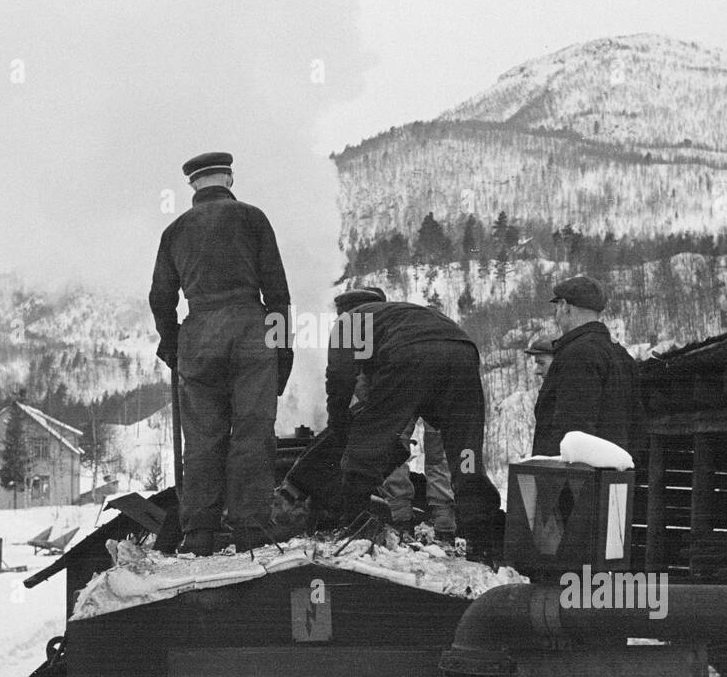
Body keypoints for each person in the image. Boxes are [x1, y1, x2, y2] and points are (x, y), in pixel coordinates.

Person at [149, 151, 293, 555]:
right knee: (252, 431)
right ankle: (250, 530)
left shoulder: (174, 231)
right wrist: (282, 346)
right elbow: (277, 291)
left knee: (202, 438)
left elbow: (161, 297)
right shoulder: (252, 217)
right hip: (252, 330)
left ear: (193, 185)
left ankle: (199, 534)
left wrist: (173, 341)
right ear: (228, 179)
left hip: (198, 335)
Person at [324, 297, 498, 558]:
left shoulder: (346, 323)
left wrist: (340, 427)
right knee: (466, 455)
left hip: (409, 353)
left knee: (364, 450)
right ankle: (481, 541)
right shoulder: (398, 314)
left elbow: (339, 380)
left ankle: (355, 531)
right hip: (463, 350)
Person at [531, 275, 643, 459]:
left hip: (574, 482)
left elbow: (572, 434)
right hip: (613, 477)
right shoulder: (622, 356)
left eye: (557, 308)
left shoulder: (577, 355)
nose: (556, 316)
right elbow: (637, 426)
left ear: (565, 306)